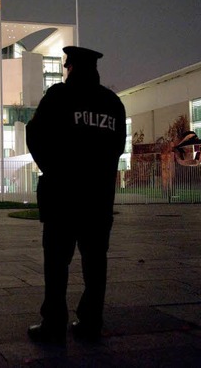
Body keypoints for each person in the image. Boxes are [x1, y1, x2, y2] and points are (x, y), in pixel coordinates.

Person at [25, 46, 127, 344]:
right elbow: (117, 147)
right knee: (95, 263)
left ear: (70, 67)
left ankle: (53, 323)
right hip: (98, 198)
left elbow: (34, 134)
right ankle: (91, 320)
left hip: (62, 197)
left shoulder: (58, 96)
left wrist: (54, 169)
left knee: (57, 264)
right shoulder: (112, 103)